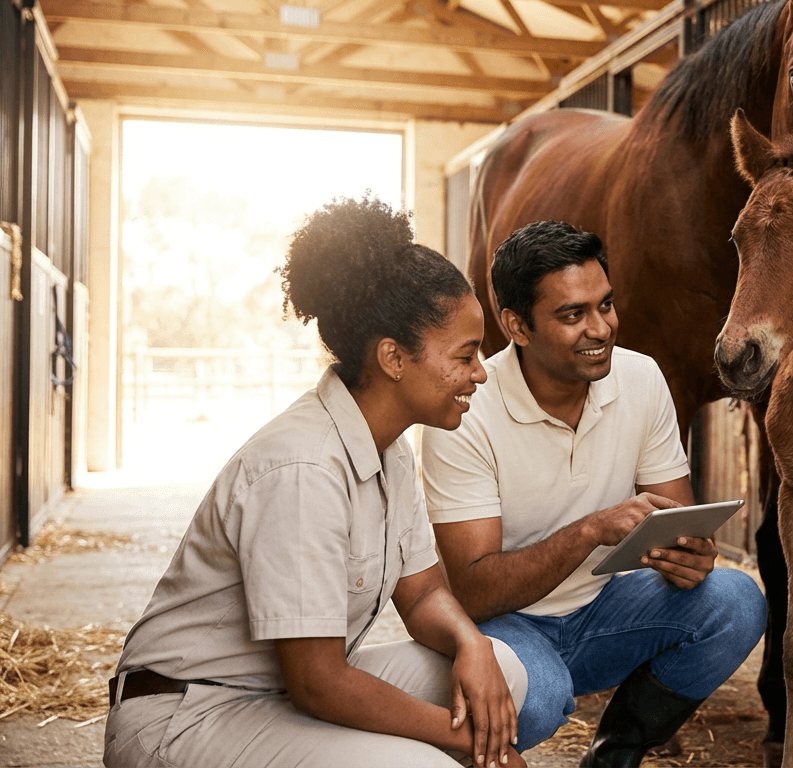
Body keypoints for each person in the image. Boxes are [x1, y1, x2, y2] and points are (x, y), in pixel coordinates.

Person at [104, 197, 526, 768]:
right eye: (466, 354)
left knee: (503, 670)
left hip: (276, 692)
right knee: (431, 762)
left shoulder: (391, 449)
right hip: (189, 713)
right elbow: (319, 683)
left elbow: (423, 594)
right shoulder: (304, 469)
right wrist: (467, 742)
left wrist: (470, 643)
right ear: (393, 358)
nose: (480, 373)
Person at [420, 220, 767, 767]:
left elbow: (679, 519)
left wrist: (690, 557)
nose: (601, 328)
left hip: (605, 608)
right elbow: (475, 593)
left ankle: (615, 753)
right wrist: (589, 531)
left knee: (736, 602)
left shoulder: (640, 377)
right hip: (505, 625)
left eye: (605, 305)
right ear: (517, 326)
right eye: (572, 315)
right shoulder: (466, 411)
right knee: (537, 699)